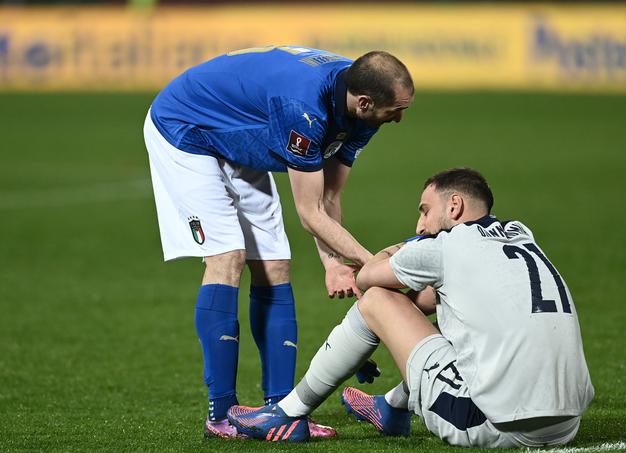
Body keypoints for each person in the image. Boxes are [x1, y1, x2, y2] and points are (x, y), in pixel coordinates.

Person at [142, 46, 414, 439]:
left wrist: (335, 263)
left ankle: (283, 411)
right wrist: (377, 267)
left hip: (242, 135)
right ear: (366, 102)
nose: (400, 118)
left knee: (274, 264)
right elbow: (309, 213)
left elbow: (328, 199)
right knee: (228, 257)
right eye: (396, 110)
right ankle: (220, 416)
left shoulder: (363, 107)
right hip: (187, 127)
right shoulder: (304, 108)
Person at [226, 167, 594, 447]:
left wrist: (405, 247)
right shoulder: (520, 236)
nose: (420, 224)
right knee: (439, 318)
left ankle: (287, 413)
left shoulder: (445, 247)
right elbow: (434, 303)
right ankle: (391, 406)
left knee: (376, 300)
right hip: (566, 426)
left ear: (455, 205)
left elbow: (369, 277)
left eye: (424, 210)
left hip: (491, 424)